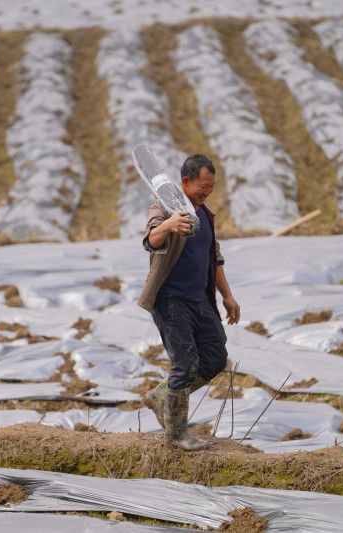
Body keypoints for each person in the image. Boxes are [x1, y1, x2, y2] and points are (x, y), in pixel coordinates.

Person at [136, 154, 240, 451]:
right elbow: (150, 240)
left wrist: (228, 296)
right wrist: (169, 225)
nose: (207, 191)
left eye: (211, 186)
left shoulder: (205, 216)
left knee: (215, 357)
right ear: (185, 182)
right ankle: (176, 434)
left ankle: (162, 396)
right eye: (203, 186)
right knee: (184, 363)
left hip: (200, 298)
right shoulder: (165, 209)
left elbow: (214, 258)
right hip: (171, 300)